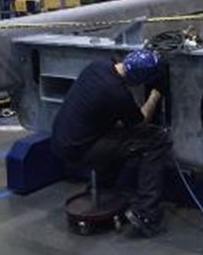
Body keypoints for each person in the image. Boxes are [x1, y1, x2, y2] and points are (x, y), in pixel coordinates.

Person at [52, 49, 172, 237]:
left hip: (62, 139)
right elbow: (141, 121)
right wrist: (156, 93)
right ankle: (145, 213)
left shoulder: (97, 66)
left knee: (121, 139)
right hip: (80, 150)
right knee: (155, 140)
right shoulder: (117, 94)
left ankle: (102, 187)